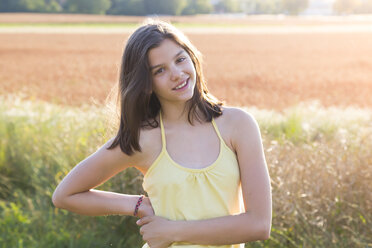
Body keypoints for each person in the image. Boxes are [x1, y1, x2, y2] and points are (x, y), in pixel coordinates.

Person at [52, 19, 272, 248]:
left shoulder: (238, 125)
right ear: (146, 84)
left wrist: (172, 232)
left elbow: (259, 224)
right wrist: (137, 204)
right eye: (160, 70)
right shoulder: (143, 139)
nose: (177, 74)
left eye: (180, 59)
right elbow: (65, 195)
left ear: (193, 58)